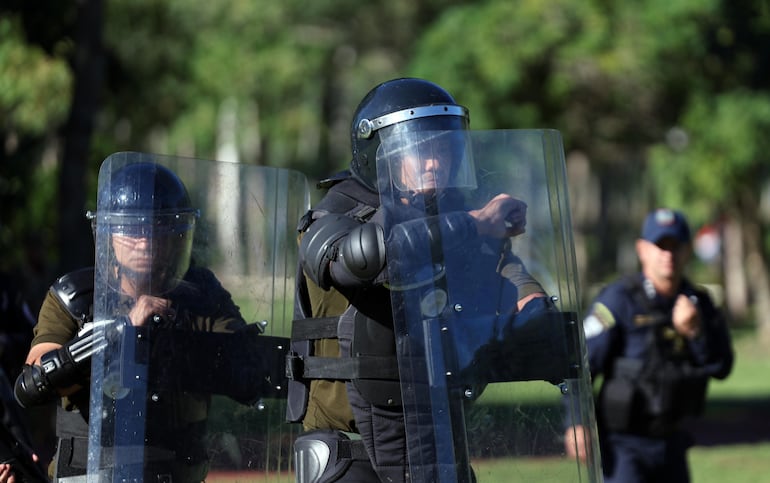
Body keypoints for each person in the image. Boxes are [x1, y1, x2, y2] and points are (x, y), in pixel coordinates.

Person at [286, 78, 552, 482]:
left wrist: (535, 313)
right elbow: (365, 260)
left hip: (437, 439)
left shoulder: (458, 222)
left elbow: (511, 280)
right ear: (381, 153)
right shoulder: (335, 216)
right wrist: (476, 223)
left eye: (444, 148)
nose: (435, 161)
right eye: (420, 149)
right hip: (349, 452)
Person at [12, 162, 274, 482]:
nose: (145, 240)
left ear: (179, 236)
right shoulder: (75, 298)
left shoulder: (201, 295)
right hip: (90, 475)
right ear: (108, 233)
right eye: (133, 228)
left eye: (158, 227)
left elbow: (248, 369)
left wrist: (179, 342)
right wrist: (123, 332)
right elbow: (34, 381)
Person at [564, 208, 734, 483]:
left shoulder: (699, 303)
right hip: (624, 446)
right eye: (660, 246)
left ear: (687, 250)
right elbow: (579, 366)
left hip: (672, 441)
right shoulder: (619, 300)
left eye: (676, 246)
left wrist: (696, 333)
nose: (668, 255)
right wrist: (576, 422)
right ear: (642, 250)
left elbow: (722, 367)